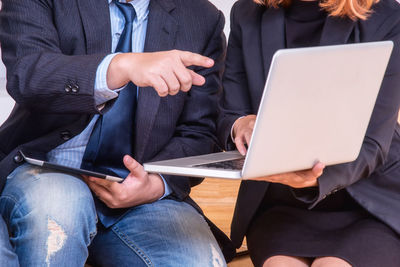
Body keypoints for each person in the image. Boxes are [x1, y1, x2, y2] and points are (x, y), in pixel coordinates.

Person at [0, 0, 235, 266]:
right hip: (47, 169)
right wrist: (119, 67)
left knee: (199, 262)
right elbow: (28, 74)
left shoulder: (202, 17)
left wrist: (156, 184)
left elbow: (199, 132)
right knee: (62, 208)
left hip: (141, 194)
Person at [217, 0, 400, 266]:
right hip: (281, 202)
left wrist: (313, 181)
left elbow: (373, 143)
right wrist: (241, 124)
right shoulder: (247, 12)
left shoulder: (386, 15)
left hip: (370, 200)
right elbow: (226, 113)